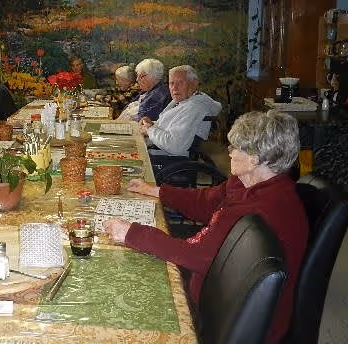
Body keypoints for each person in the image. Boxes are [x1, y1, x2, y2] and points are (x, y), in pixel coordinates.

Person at [104, 110, 308, 344]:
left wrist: (131, 232)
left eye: (235, 147)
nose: (229, 152)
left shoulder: (261, 209)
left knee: (123, 293)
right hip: (220, 290)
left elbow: (197, 256)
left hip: (227, 315)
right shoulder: (251, 183)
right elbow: (205, 202)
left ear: (254, 159)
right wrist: (156, 191)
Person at [141, 65, 221, 164]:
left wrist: (149, 129)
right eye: (171, 83)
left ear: (194, 83)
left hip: (168, 159)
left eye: (180, 83)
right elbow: (170, 126)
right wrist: (153, 124)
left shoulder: (194, 107)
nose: (174, 88)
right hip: (158, 151)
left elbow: (174, 145)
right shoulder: (182, 100)